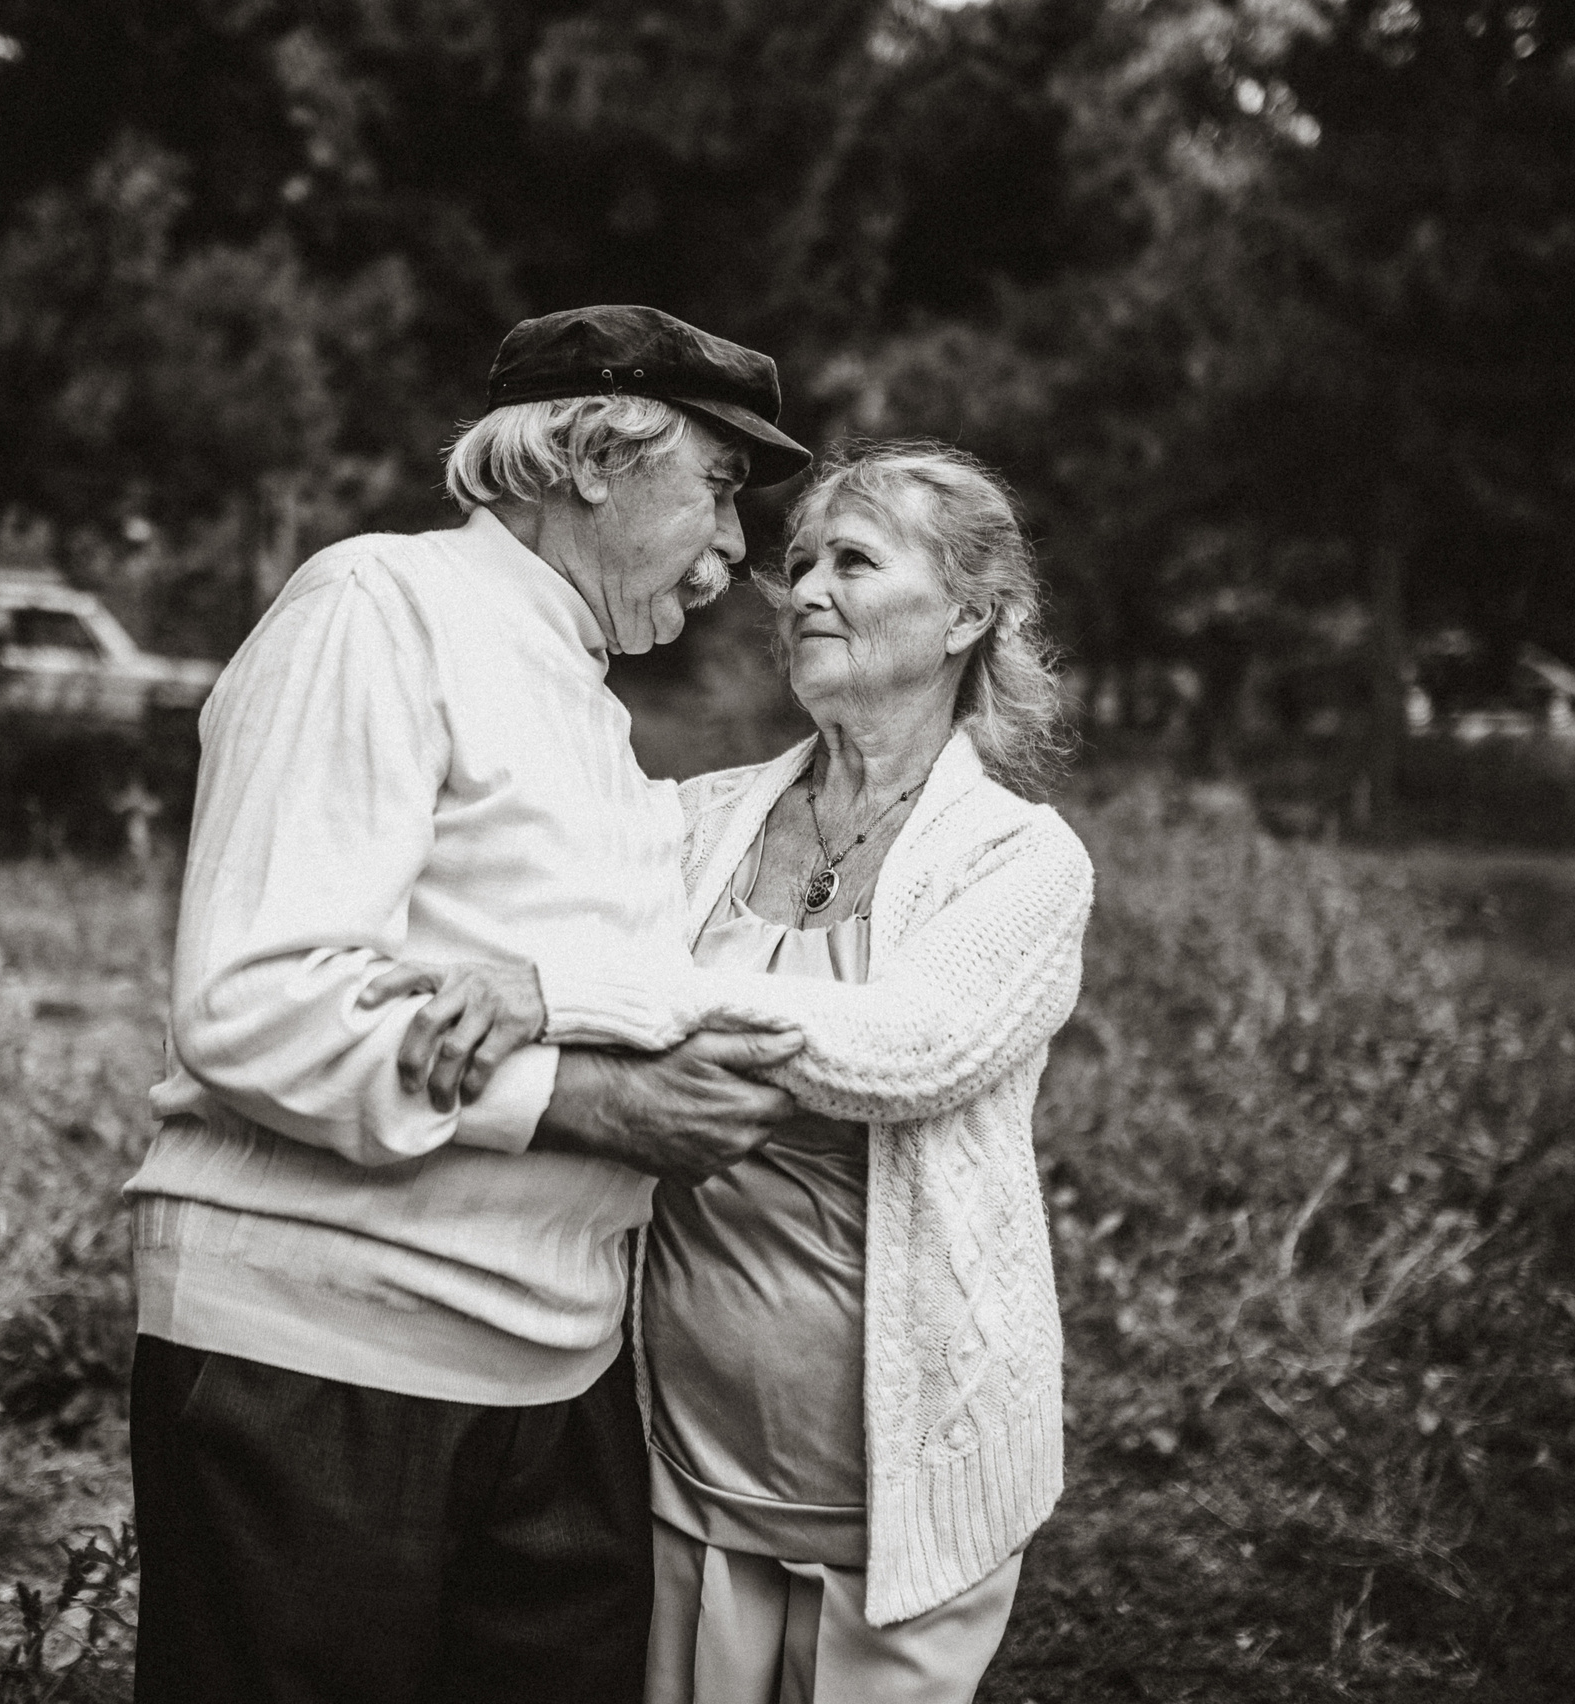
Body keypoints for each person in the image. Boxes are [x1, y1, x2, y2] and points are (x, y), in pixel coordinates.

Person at [124, 304, 818, 1704]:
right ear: (589, 456)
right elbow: (257, 1005)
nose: (740, 554)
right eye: (722, 486)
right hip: (321, 1366)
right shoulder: (376, 609)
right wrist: (600, 1105)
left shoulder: (588, 705)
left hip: (554, 1383)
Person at [378, 440, 1094, 1704]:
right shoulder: (695, 822)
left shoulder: (1020, 861)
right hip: (676, 1470)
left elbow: (910, 1048)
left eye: (855, 563)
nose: (804, 589)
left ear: (968, 617)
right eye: (800, 562)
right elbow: (533, 951)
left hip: (901, 1494)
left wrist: (575, 994)